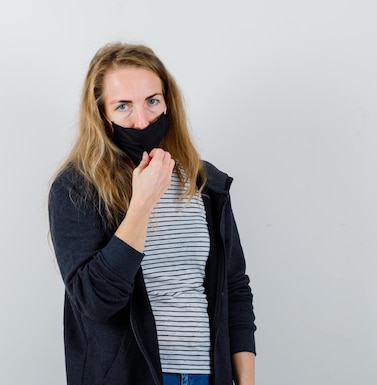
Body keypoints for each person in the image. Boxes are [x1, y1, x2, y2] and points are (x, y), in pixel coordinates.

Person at [48, 42, 256, 385]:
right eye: (123, 106)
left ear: (168, 103)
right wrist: (142, 202)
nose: (142, 120)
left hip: (207, 375)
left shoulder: (206, 184)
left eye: (152, 102)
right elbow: (96, 302)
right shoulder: (77, 188)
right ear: (102, 115)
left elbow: (234, 288)